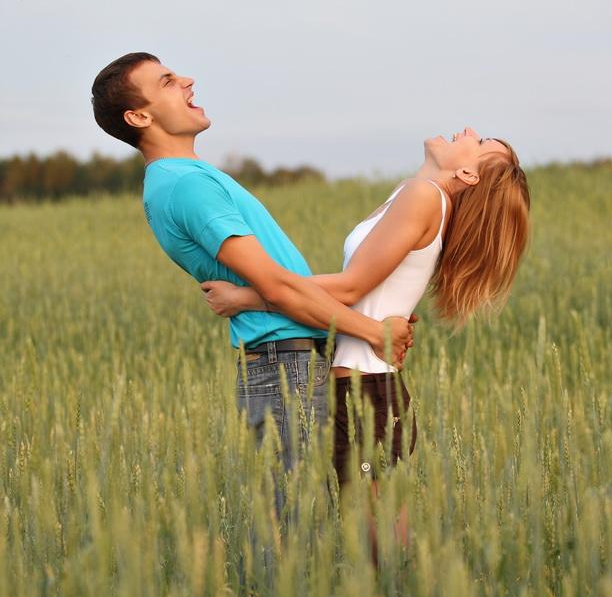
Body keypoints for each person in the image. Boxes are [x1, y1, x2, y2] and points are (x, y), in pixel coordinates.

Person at [90, 53, 412, 488]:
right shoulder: (185, 185)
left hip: (293, 361)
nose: (187, 80)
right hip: (286, 367)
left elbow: (278, 285)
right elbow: (277, 286)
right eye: (166, 81)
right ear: (139, 116)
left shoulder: (186, 178)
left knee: (320, 512)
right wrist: (374, 333)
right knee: (300, 519)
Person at [202, 128, 530, 495]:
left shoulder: (424, 196)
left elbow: (350, 287)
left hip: (366, 389)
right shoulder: (416, 193)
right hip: (361, 385)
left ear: (468, 174)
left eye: (481, 142)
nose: (468, 132)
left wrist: (248, 297)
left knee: (375, 526)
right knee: (368, 525)